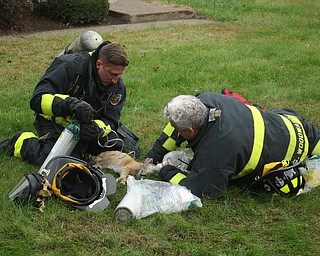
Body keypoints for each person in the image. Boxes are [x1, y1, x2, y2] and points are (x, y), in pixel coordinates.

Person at [147, 92, 320, 198]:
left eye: (180, 129)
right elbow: (174, 127)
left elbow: (199, 188)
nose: (175, 130)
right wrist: (155, 155)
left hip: (299, 149)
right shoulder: (205, 100)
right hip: (291, 122)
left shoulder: (215, 153)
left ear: (191, 131)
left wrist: (165, 170)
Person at [0, 41, 130, 166]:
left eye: (118, 75)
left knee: (117, 148)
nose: (115, 80)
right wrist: (69, 105)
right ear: (98, 64)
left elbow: (111, 120)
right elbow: (37, 99)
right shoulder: (69, 65)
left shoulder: (117, 86)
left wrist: (95, 129)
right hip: (53, 120)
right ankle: (19, 141)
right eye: (112, 74)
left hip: (84, 127)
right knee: (52, 160)